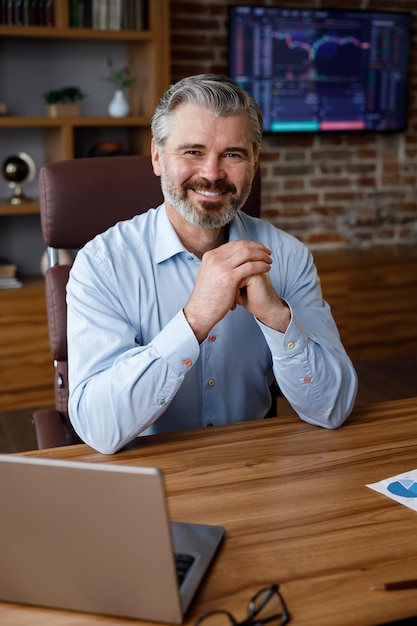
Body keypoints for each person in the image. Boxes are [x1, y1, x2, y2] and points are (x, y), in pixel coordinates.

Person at [67, 74, 358, 454]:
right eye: (192, 151)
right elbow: (99, 429)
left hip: (256, 472)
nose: (212, 173)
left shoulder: (287, 256)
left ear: (254, 160)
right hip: (144, 478)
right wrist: (194, 320)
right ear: (157, 156)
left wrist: (276, 317)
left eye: (233, 154)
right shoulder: (101, 265)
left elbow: (331, 409)